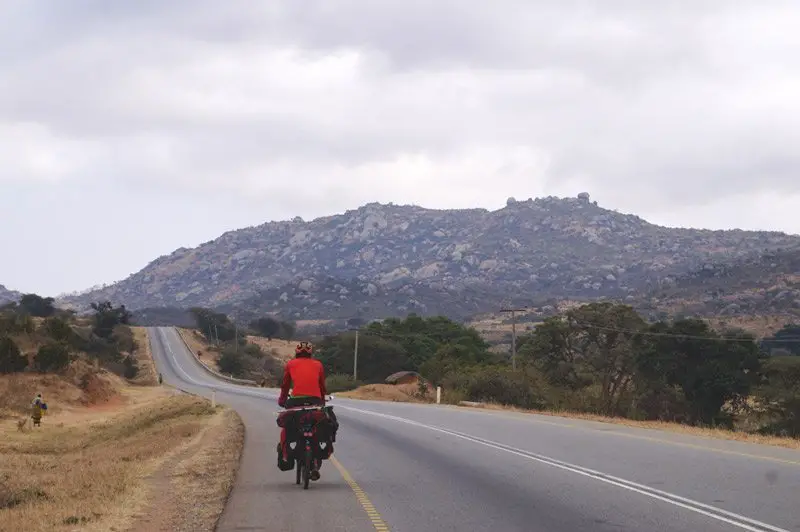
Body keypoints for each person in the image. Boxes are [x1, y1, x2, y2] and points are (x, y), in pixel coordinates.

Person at [276, 341, 338, 479]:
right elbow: (322, 386)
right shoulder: (318, 365)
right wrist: (321, 400)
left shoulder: (291, 364)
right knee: (320, 423)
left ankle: (286, 456)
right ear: (311, 353)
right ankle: (317, 459)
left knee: (287, 425)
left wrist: (282, 400)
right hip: (315, 401)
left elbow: (285, 386)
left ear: (297, 352)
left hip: (296, 401)